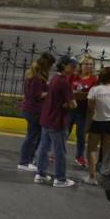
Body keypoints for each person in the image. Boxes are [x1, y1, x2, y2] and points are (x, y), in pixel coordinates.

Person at [33, 56, 77, 187]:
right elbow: (73, 104)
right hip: (57, 121)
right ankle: (60, 179)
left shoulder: (54, 78)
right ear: (64, 66)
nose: (75, 68)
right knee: (59, 151)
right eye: (72, 65)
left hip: (46, 119)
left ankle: (40, 174)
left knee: (43, 147)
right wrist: (71, 103)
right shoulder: (64, 82)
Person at [83, 63, 110, 181]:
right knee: (107, 150)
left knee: (92, 149)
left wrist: (86, 127)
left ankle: (92, 176)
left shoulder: (94, 90)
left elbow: (90, 109)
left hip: (98, 122)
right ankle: (104, 175)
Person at [16, 52, 55, 171]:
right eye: (51, 65)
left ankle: (30, 160)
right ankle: (24, 162)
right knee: (32, 137)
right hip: (34, 111)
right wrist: (50, 92)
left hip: (30, 109)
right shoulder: (37, 78)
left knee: (34, 136)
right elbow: (37, 95)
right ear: (46, 65)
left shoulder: (32, 75)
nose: (52, 68)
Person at [68, 56, 96, 167]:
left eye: (91, 64)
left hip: (83, 111)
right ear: (81, 65)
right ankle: (56, 153)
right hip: (70, 109)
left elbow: (91, 95)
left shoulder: (94, 79)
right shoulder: (73, 76)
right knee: (65, 132)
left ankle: (79, 156)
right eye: (86, 64)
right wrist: (80, 94)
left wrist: (76, 94)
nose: (88, 66)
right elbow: (66, 89)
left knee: (81, 135)